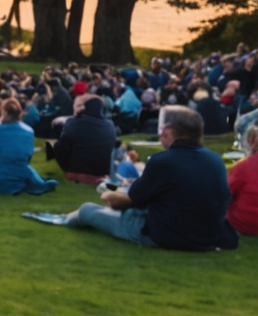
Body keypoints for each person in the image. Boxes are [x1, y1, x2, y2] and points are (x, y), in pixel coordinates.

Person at [62, 106, 238, 250]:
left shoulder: (163, 161)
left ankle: (64, 219)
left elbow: (125, 201)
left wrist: (107, 194)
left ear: (168, 132)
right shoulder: (215, 160)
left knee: (87, 210)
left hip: (166, 235)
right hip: (207, 237)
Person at [48, 95, 120, 184]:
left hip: (78, 171)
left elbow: (63, 143)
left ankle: (71, 173)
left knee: (58, 145)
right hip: (102, 171)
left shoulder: (73, 123)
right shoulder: (110, 125)